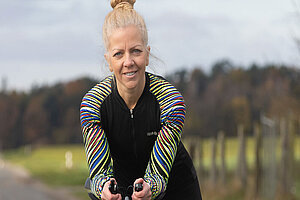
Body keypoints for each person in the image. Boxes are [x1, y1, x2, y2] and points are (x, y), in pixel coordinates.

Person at [80, 0, 202, 199]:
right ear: (109, 61)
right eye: (118, 54)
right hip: (121, 187)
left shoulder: (170, 101)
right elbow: (99, 172)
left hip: (174, 186)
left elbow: (158, 175)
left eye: (136, 51)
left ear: (147, 55)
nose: (128, 62)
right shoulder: (93, 104)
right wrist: (103, 187)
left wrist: (150, 187)